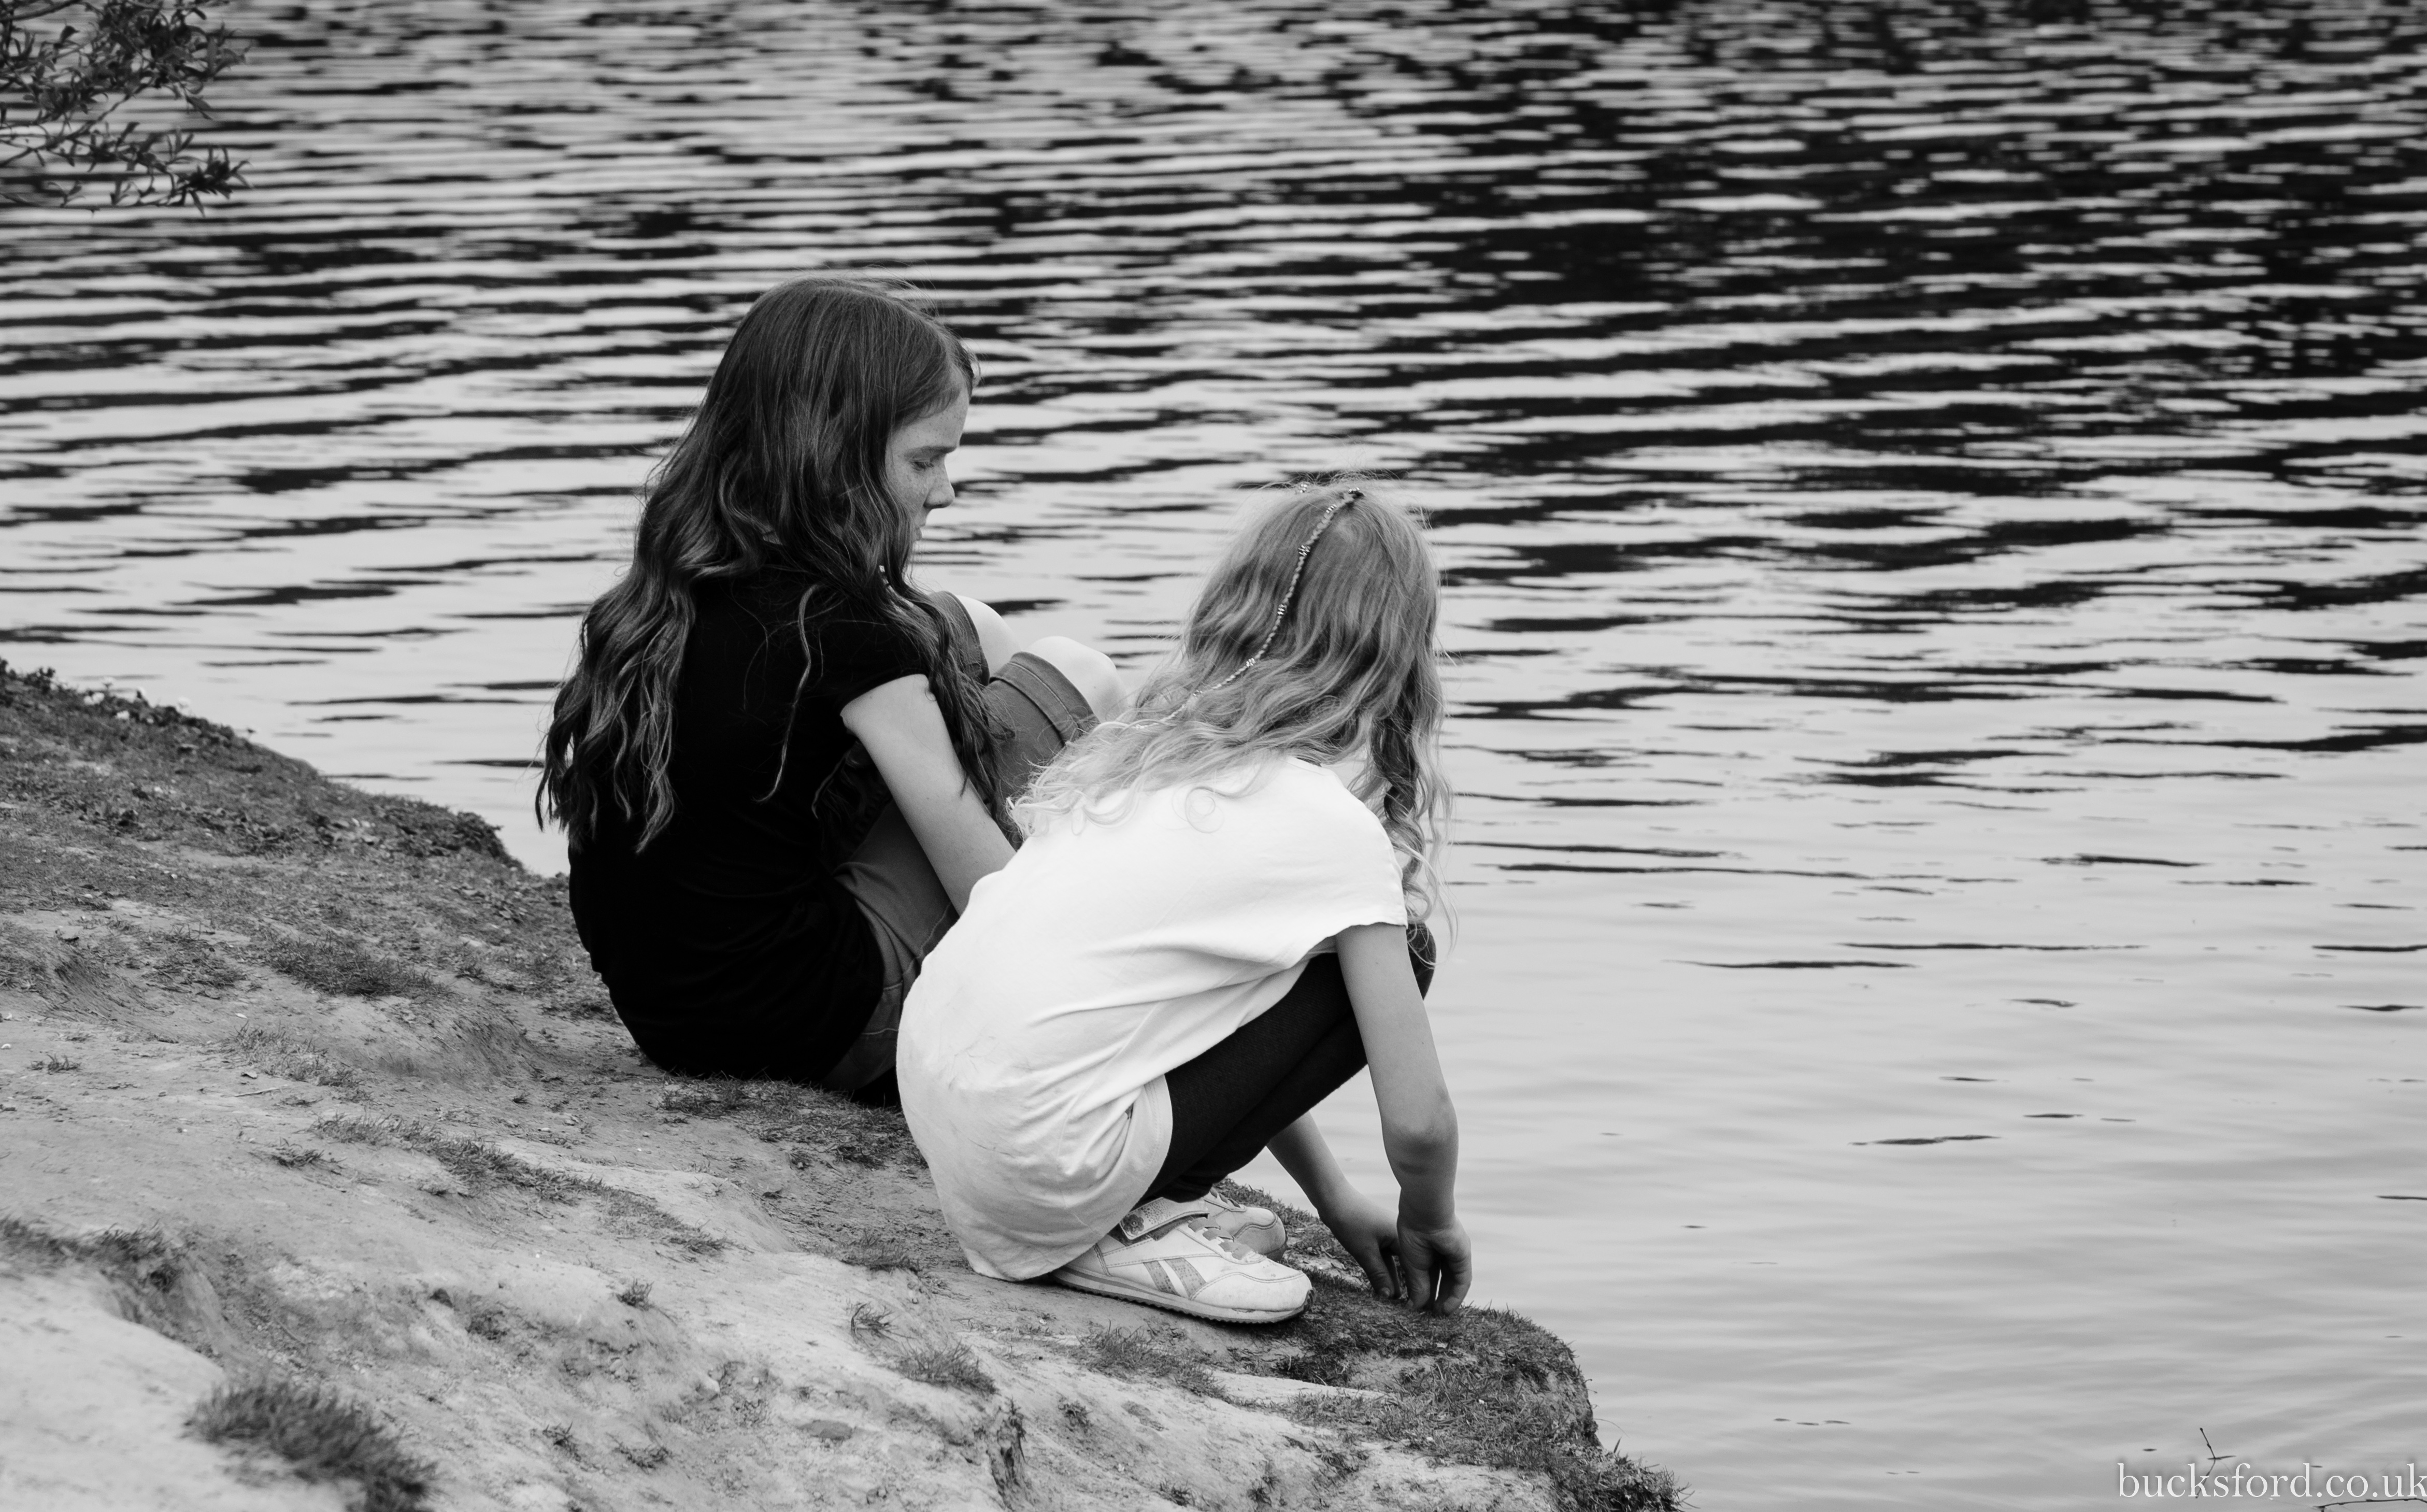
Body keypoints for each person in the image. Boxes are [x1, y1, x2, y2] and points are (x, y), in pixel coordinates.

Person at [898, 481, 1471, 1324]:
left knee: (1309, 969)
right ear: (1392, 656)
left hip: (952, 1112)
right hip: (1042, 1162)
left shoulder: (1137, 753)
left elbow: (1221, 1022)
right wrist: (1430, 1217)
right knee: (1401, 956)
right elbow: (1420, 1123)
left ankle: (1120, 1203)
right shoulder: (1328, 825)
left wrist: (1335, 1199)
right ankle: (1117, 1227)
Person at [539, 276, 1125, 1101]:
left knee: (971, 625)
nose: (946, 490)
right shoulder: (841, 630)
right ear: (834, 452)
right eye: (925, 460)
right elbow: (992, 895)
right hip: (811, 1024)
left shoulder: (673, 586)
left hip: (668, 1011)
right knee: (1081, 672)